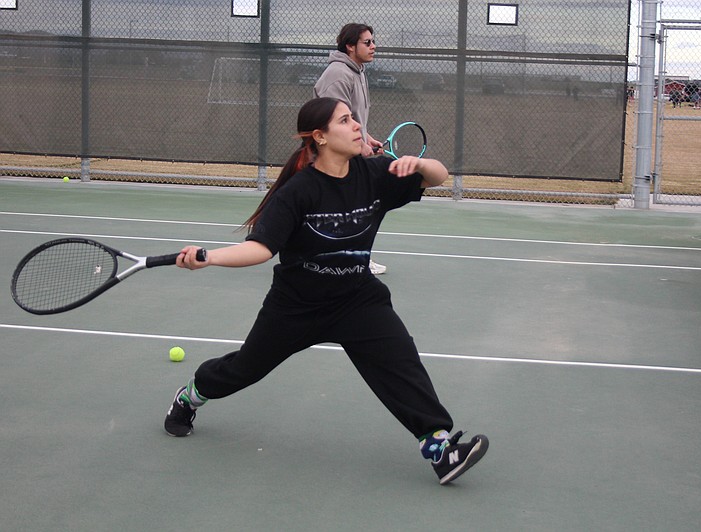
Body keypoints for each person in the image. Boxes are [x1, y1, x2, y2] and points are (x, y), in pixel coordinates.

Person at [163, 97, 489, 485]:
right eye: (345, 120)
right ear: (319, 137)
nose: (356, 126)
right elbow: (262, 249)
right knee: (244, 369)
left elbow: (438, 176)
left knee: (400, 362)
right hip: (297, 305)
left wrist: (418, 164)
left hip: (357, 298)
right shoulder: (298, 192)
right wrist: (210, 258)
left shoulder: (374, 173)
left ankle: (439, 449)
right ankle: (190, 396)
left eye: (354, 119)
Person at [313, 22, 387, 275]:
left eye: (373, 41)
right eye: (367, 42)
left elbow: (353, 118)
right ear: (350, 46)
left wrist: (368, 138)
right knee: (342, 208)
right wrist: (360, 146)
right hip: (333, 155)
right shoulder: (338, 74)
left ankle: (357, 257)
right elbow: (334, 122)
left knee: (357, 207)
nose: (373, 46)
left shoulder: (358, 71)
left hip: (348, 152)